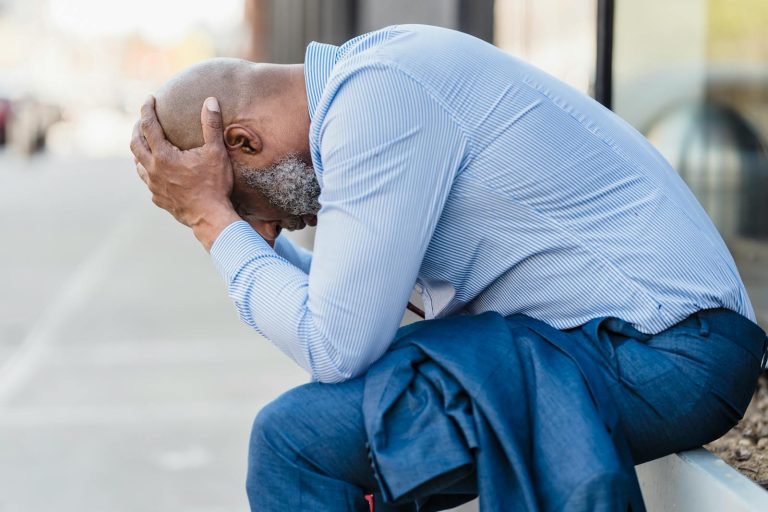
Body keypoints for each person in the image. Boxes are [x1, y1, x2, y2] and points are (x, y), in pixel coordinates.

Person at [130, 24, 766, 511]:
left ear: (242, 141)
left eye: (240, 196)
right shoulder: (374, 83)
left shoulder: (377, 102)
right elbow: (351, 314)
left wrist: (215, 224)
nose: (270, 220)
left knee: (296, 442)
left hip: (671, 352)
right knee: (368, 416)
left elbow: (335, 344)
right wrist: (230, 226)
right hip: (622, 344)